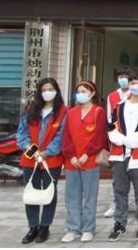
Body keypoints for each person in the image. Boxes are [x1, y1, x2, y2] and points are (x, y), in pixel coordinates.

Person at [107, 71, 138, 242]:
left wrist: (129, 141)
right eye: (133, 83)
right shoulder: (119, 106)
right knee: (120, 192)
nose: (136, 86)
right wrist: (121, 140)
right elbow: (110, 127)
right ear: (128, 84)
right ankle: (119, 223)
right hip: (119, 156)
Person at [17, 78, 68, 244]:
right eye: (44, 90)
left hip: (51, 160)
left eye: (50, 89)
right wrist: (32, 151)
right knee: (30, 193)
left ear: (56, 91)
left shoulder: (63, 111)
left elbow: (61, 136)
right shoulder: (31, 109)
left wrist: (46, 153)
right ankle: (33, 226)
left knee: (49, 193)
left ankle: (45, 226)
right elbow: (22, 133)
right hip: (30, 160)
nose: (47, 93)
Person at [61, 81, 107, 243]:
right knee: (72, 196)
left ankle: (88, 228)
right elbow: (66, 136)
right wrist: (72, 156)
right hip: (72, 161)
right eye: (78, 92)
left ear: (92, 93)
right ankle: (73, 228)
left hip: (90, 160)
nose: (80, 95)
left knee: (89, 196)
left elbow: (99, 136)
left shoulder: (99, 112)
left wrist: (86, 155)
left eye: (84, 91)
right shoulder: (71, 112)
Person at [104, 67, 133, 218]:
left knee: (137, 176)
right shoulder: (112, 96)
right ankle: (116, 203)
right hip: (117, 141)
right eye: (121, 77)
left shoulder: (136, 94)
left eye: (126, 76)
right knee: (118, 176)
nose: (123, 79)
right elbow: (109, 119)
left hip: (134, 141)